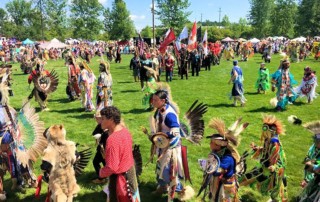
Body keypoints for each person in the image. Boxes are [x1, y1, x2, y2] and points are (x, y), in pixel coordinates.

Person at [198, 117, 248, 202]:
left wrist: (206, 165)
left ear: (218, 145)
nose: (210, 144)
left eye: (211, 142)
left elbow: (217, 170)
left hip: (225, 188)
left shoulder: (227, 159)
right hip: (219, 184)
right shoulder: (218, 153)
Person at [240, 115, 288, 202]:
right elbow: (265, 151)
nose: (264, 133)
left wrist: (275, 167)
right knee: (246, 177)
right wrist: (256, 148)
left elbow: (281, 160)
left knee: (275, 190)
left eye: (265, 131)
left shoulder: (275, 144)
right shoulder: (268, 140)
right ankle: (234, 191)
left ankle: (275, 199)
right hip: (264, 167)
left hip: (274, 170)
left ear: (272, 132)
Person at [99, 106, 140, 202]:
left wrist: (101, 172)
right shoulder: (125, 131)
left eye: (103, 118)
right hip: (130, 173)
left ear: (111, 120)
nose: (101, 121)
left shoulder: (112, 139)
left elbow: (112, 167)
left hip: (121, 181)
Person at [150, 90, 184, 200]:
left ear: (163, 101)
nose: (153, 102)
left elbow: (176, 131)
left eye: (155, 100)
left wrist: (162, 135)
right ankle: (163, 187)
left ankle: (179, 190)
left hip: (171, 147)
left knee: (168, 170)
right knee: (160, 167)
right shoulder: (159, 110)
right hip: (162, 144)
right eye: (153, 99)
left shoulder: (169, 115)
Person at [299, 121, 320, 202]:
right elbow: (308, 161)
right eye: (315, 139)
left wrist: (312, 166)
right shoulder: (314, 148)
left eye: (317, 141)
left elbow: (316, 168)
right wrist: (306, 179)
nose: (315, 142)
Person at [91, 111, 109, 184]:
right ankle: (104, 176)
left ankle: (102, 178)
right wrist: (98, 135)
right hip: (101, 148)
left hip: (105, 149)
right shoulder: (99, 126)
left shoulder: (107, 127)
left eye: (98, 118)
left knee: (98, 162)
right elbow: (94, 133)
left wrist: (103, 133)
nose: (96, 120)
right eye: (96, 118)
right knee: (97, 162)